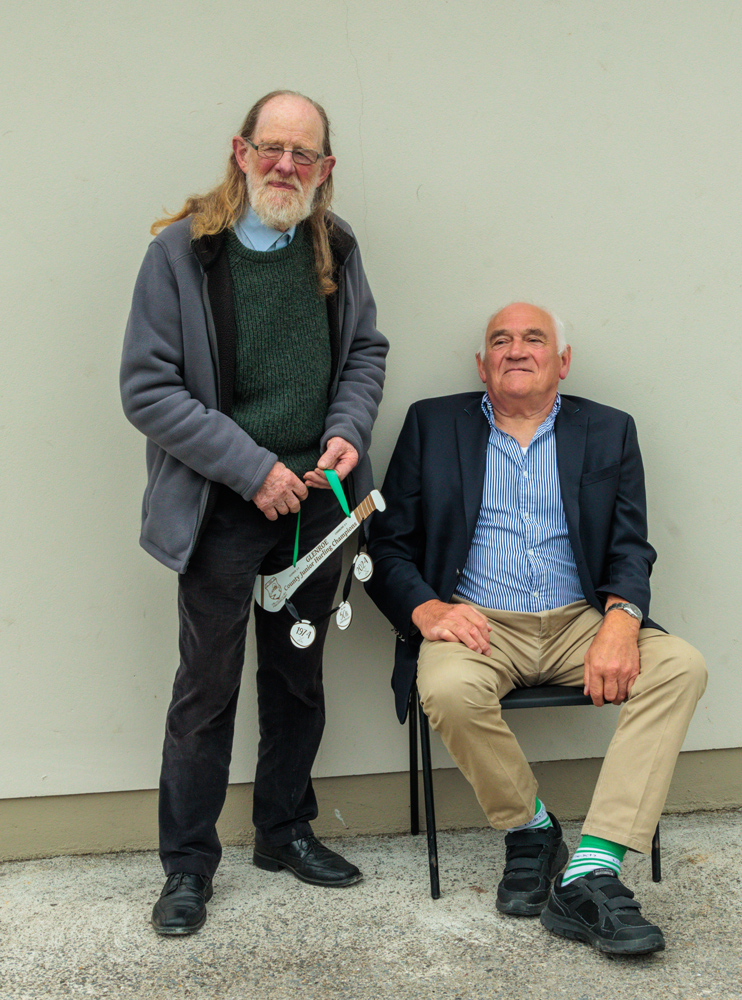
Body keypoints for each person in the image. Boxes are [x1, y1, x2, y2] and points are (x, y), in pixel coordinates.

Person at [121, 90, 388, 935]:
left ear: (325, 168)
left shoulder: (336, 244)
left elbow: (365, 352)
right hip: (221, 506)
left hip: (316, 505)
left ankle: (284, 831)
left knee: (297, 679)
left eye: (303, 154)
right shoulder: (182, 253)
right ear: (240, 152)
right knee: (205, 690)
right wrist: (254, 469)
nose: (284, 165)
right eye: (271, 147)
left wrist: (345, 431)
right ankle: (187, 865)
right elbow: (148, 389)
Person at [365, 302, 705, 956]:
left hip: (581, 620)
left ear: (562, 361)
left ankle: (592, 869)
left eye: (533, 339)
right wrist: (427, 610)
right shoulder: (433, 425)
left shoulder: (608, 429)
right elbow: (388, 547)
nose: (516, 349)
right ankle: (531, 828)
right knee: (447, 688)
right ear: (482, 364)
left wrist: (621, 620)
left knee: (681, 666)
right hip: (478, 623)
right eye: (500, 340)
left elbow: (630, 547)